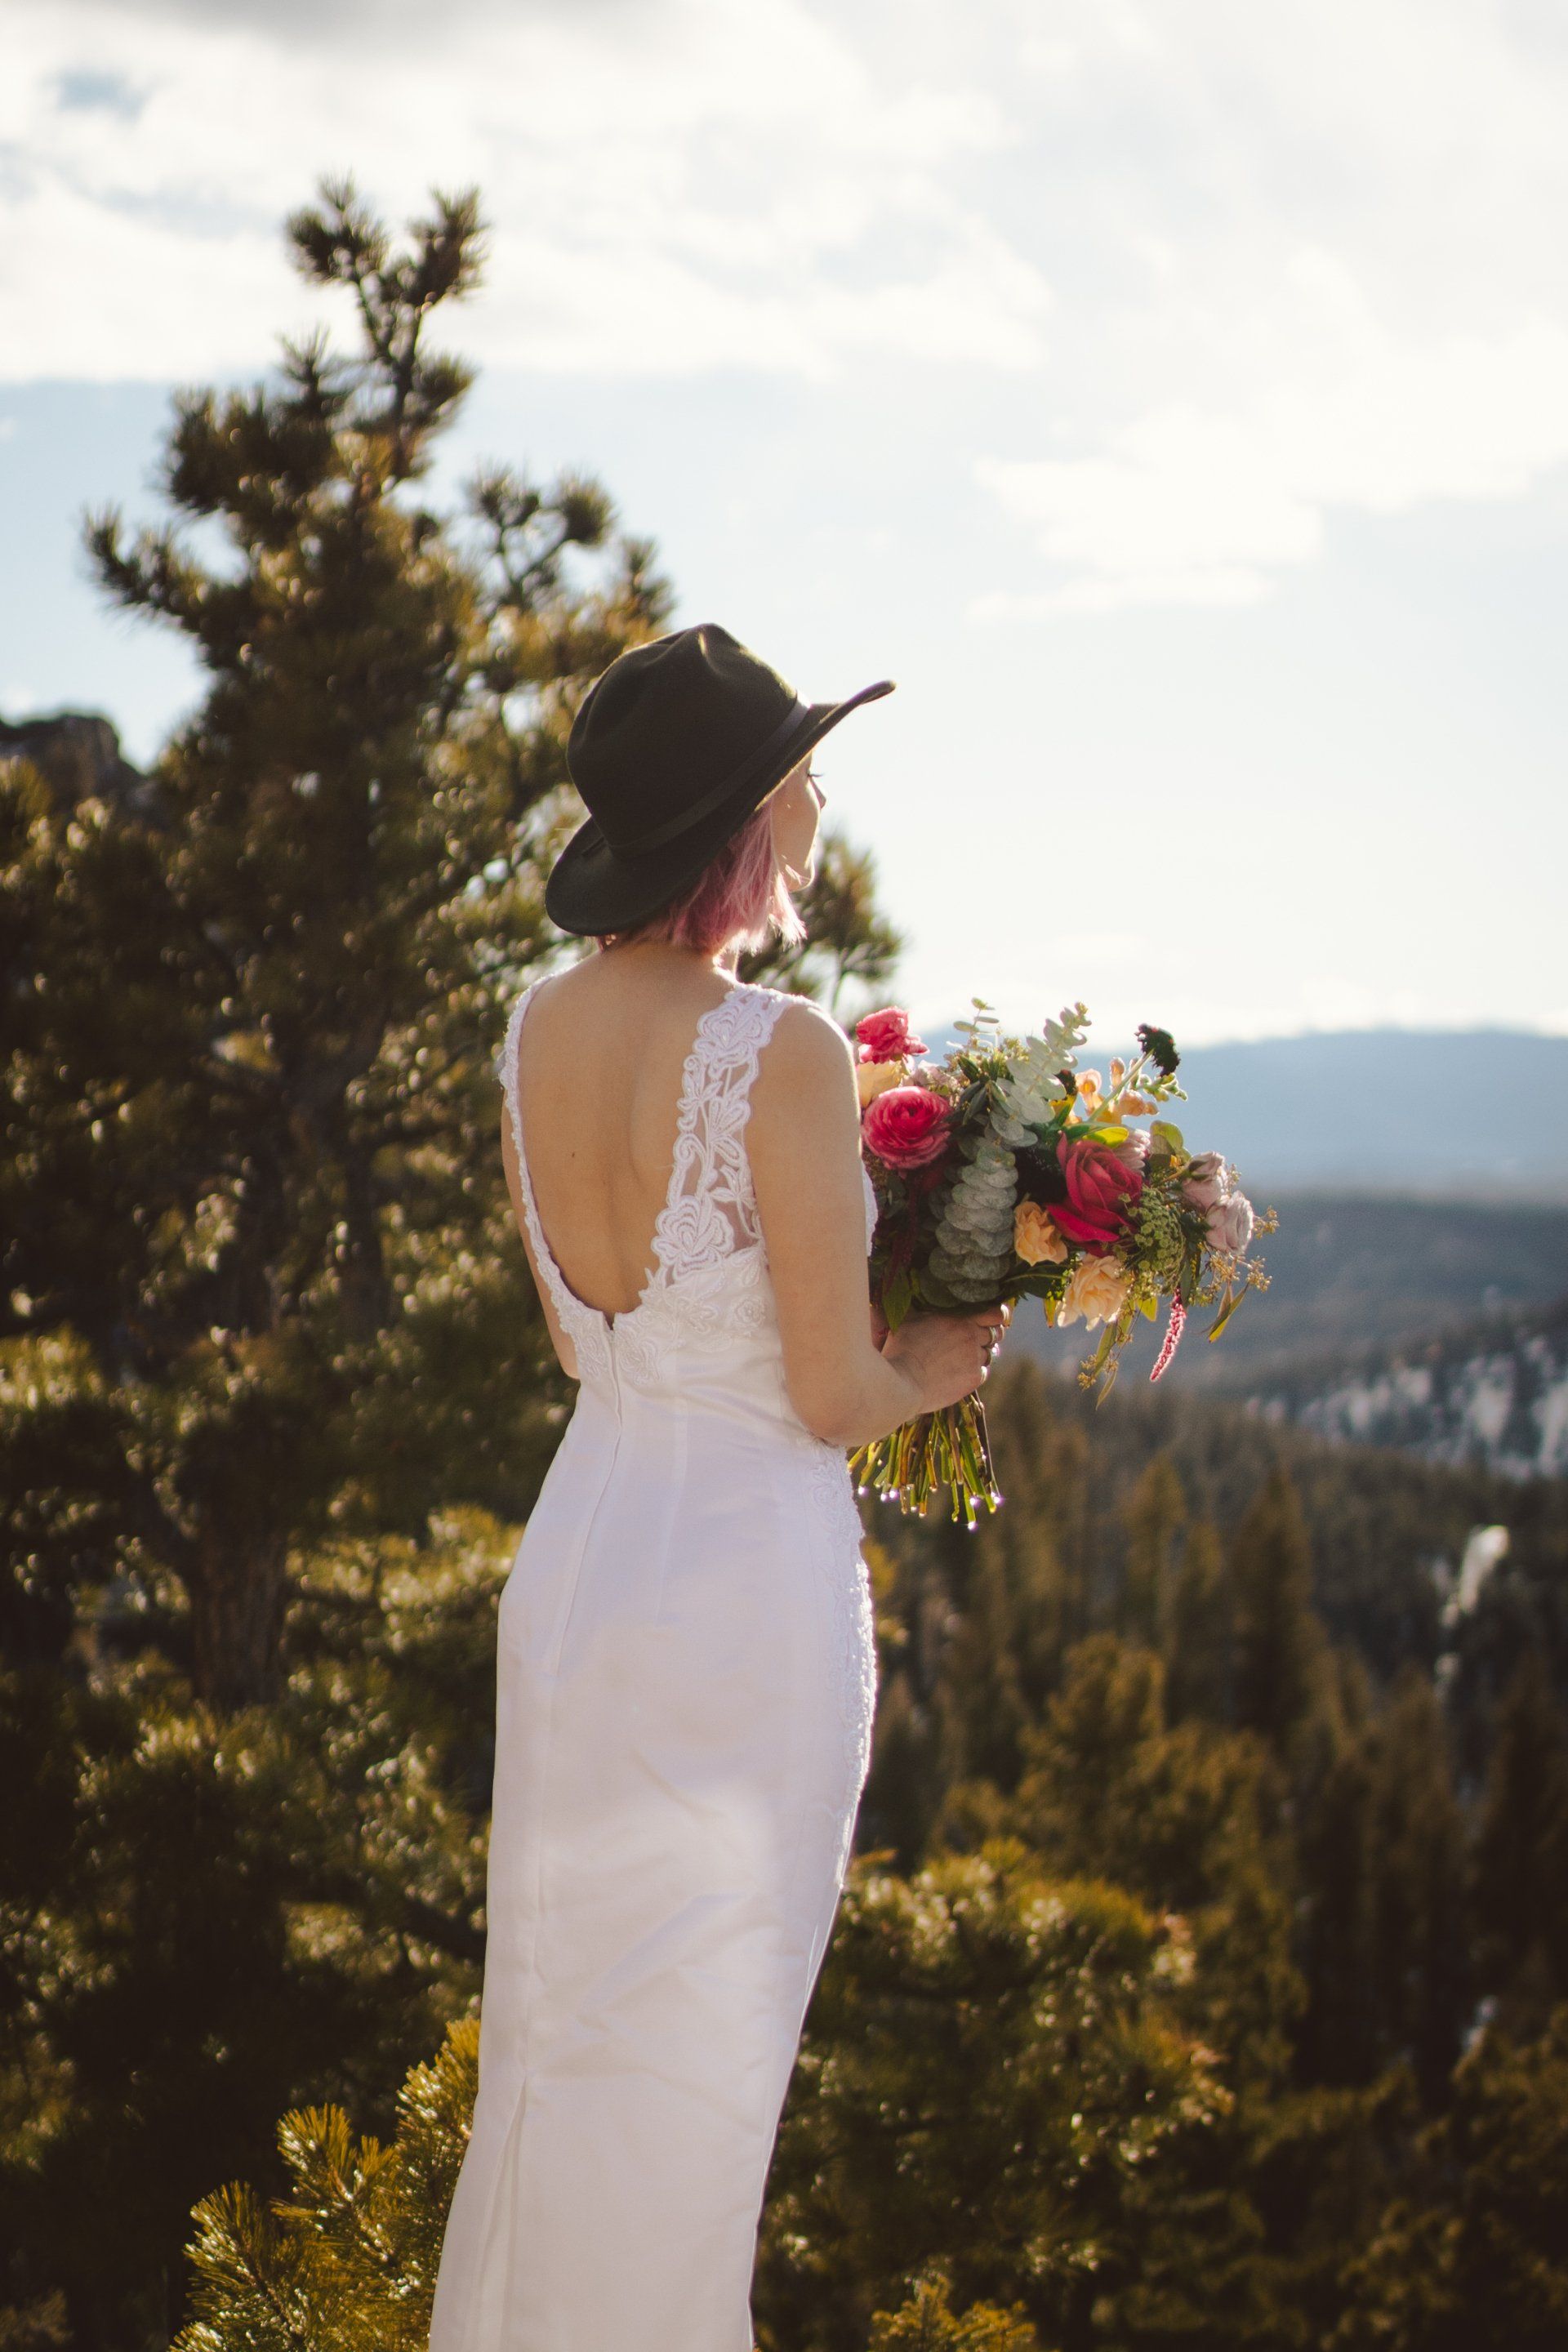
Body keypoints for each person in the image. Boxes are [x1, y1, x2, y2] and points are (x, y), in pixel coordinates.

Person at [426, 621, 1007, 2352]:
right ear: (743, 830)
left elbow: (582, 1344)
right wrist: (952, 1362)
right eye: (796, 786)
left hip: (588, 1556)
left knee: (565, 2039)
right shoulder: (784, 1047)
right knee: (691, 2076)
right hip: (738, 1594)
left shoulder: (535, 1025)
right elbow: (832, 1393)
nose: (812, 814)